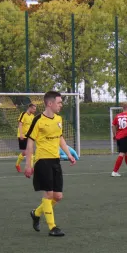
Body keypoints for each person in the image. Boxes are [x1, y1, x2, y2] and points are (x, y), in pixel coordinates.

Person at [24, 91, 76, 237]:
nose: (61, 105)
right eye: (59, 102)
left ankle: (36, 213)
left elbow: (60, 138)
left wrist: (69, 154)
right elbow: (30, 143)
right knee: (48, 194)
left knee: (58, 196)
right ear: (50, 103)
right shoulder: (38, 120)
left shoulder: (58, 119)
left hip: (55, 160)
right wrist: (28, 164)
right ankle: (52, 227)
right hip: (42, 161)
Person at [111, 102, 127, 177]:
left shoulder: (118, 116)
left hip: (118, 136)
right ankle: (115, 171)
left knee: (126, 153)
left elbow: (113, 125)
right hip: (124, 136)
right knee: (122, 153)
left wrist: (114, 135)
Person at [15, 103, 37, 172]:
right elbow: (20, 124)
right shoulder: (23, 114)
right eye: (33, 109)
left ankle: (31, 167)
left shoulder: (33, 116)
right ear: (30, 108)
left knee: (30, 152)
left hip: (29, 136)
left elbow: (33, 127)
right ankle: (17, 164)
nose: (34, 110)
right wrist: (21, 134)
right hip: (22, 136)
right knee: (25, 152)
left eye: (35, 109)